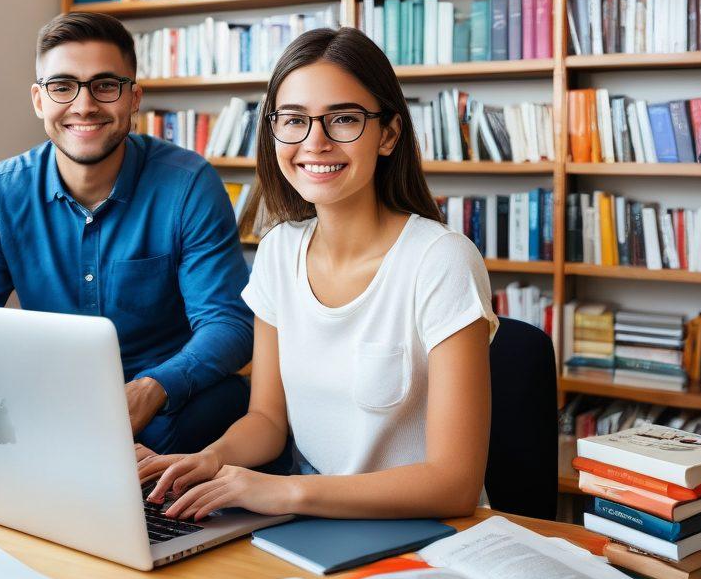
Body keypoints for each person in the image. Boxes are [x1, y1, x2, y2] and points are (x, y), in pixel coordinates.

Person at [140, 26, 497, 520]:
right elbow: (267, 419)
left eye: (344, 119)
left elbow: (454, 484)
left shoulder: (441, 260)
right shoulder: (278, 251)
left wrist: (287, 493)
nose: (315, 142)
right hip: (312, 527)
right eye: (294, 120)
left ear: (388, 134)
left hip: (425, 534)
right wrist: (210, 460)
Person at [0, 12, 253, 455]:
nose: (84, 105)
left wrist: (152, 388)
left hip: (169, 401)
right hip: (53, 401)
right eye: (62, 86)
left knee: (202, 415)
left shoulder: (188, 184)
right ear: (39, 100)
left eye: (105, 85)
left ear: (134, 99)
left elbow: (229, 324)